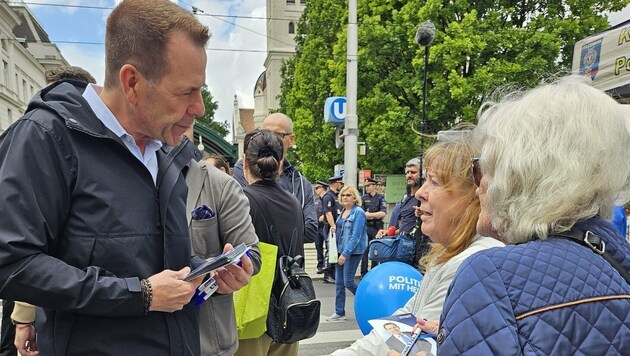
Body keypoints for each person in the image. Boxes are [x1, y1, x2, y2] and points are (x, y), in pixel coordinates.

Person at [0, 1, 243, 354]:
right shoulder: (45, 137)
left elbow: (150, 260)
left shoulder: (166, 149)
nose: (199, 107)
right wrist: (139, 295)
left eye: (200, 89)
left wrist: (207, 273)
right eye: (185, 91)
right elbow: (12, 263)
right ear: (132, 82)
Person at [437, 76, 630, 354]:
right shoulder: (617, 257)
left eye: (479, 169)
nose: (477, 187)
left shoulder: (491, 276)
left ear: (516, 177)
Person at [331, 138, 504, 356]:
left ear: (474, 195)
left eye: (434, 182)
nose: (420, 193)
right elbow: (400, 326)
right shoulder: (453, 256)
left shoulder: (471, 265)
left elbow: (411, 342)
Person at [7, 66, 97, 356]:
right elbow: (27, 253)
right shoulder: (91, 141)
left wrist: (22, 321)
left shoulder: (31, 133)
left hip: (59, 312)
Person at [185, 126, 262, 356]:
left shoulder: (221, 184)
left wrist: (226, 269)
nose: (195, 108)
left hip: (206, 340)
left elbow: (251, 254)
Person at [235, 129, 305, 356]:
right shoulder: (294, 202)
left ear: (245, 161)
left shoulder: (242, 199)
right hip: (288, 305)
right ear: (280, 162)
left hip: (252, 311)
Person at [232, 113, 317, 244]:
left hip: (288, 260)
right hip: (256, 256)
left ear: (291, 139)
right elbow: (242, 218)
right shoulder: (243, 168)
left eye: (278, 135)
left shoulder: (300, 182)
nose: (270, 139)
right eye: (264, 133)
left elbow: (311, 231)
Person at [376, 158, 428, 266]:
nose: (409, 175)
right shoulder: (406, 198)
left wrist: (425, 214)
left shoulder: (426, 196)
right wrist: (388, 232)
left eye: (413, 172)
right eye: (407, 172)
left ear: (422, 175)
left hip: (422, 250)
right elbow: (405, 228)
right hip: (405, 249)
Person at [327, 185, 367, 321]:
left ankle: (366, 301)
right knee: (339, 283)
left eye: (348, 195)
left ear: (355, 198)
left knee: (348, 282)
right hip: (339, 250)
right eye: (343, 195)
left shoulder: (359, 213)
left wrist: (345, 254)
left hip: (352, 252)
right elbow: (342, 231)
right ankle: (339, 312)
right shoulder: (343, 211)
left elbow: (355, 236)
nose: (345, 197)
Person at [360, 177, 387, 276]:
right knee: (365, 251)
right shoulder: (363, 198)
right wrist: (375, 215)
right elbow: (362, 214)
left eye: (368, 185)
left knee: (376, 250)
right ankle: (364, 272)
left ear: (374, 186)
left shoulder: (380, 198)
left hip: (377, 228)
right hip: (367, 227)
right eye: (366, 186)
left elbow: (383, 213)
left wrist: (370, 215)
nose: (367, 188)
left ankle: (374, 271)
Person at [322, 175, 344, 283]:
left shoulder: (336, 196)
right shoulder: (328, 197)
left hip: (337, 228)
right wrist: (333, 226)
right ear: (336, 183)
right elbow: (328, 213)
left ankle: (334, 273)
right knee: (330, 251)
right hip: (331, 228)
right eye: (340, 183)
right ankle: (327, 273)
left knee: (335, 251)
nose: (341, 185)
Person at [314, 180, 330, 274]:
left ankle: (326, 265)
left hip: (325, 226)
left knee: (328, 247)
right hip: (317, 227)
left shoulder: (327, 198)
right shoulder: (315, 199)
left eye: (317, 188)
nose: (315, 190)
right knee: (318, 246)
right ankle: (320, 265)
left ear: (322, 188)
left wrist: (324, 216)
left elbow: (329, 211)